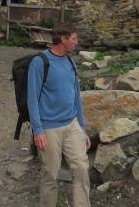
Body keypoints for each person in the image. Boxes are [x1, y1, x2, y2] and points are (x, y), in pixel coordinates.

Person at [27, 23, 89, 207]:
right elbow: (32, 98)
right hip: (49, 127)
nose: (76, 43)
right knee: (51, 174)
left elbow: (76, 97)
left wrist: (83, 129)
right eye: (74, 39)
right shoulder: (40, 62)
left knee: (81, 168)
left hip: (72, 124)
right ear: (63, 39)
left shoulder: (70, 62)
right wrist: (38, 130)